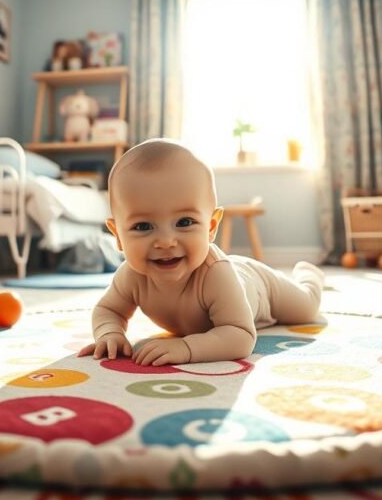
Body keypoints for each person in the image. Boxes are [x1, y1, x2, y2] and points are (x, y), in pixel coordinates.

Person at [77, 138, 325, 366]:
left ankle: (310, 276)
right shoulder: (130, 276)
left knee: (307, 309)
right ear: (118, 235)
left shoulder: (216, 275)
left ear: (211, 226)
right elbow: (108, 310)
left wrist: (186, 347)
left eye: (184, 222)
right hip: (241, 281)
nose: (165, 241)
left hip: (262, 286)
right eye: (143, 226)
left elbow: (240, 336)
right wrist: (110, 333)